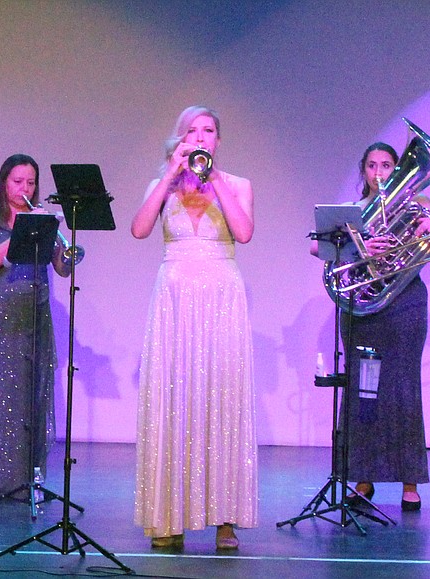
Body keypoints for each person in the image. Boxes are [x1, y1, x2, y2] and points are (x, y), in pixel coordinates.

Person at [131, 105, 257, 550]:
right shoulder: (162, 185)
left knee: (221, 397)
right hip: (176, 296)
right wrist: (170, 174)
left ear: (218, 140)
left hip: (221, 296)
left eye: (208, 131)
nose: (200, 138)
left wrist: (215, 180)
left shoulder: (237, 184)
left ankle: (225, 518)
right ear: (180, 138)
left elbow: (243, 233)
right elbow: (139, 229)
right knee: (175, 401)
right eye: (192, 131)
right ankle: (169, 515)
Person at [310, 142, 430, 511]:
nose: (379, 172)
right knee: (365, 392)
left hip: (406, 305)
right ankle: (364, 478)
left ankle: (410, 482)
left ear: (398, 169)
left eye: (387, 165)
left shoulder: (420, 204)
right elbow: (318, 250)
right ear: (363, 172)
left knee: (406, 389)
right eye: (372, 165)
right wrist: (360, 247)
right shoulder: (355, 212)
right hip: (365, 309)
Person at [0, 154, 71, 502]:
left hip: (36, 310)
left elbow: (61, 269)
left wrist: (62, 245)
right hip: (1, 314)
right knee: (2, 396)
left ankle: (32, 478)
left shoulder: (40, 216)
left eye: (30, 182)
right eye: (17, 182)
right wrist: (27, 229)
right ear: (3, 183)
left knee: (34, 395)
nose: (24, 188)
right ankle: (1, 482)